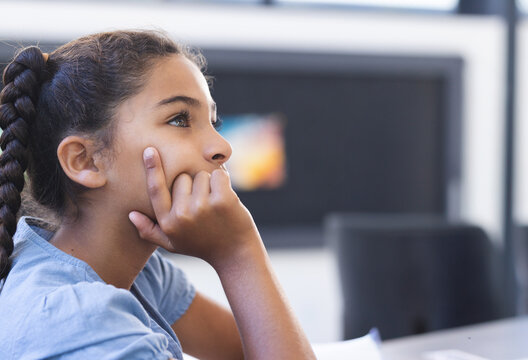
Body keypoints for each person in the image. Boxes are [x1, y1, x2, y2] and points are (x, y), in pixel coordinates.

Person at [0, 30, 316, 360]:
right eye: (180, 119)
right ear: (85, 161)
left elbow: (253, 349)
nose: (223, 147)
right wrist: (239, 252)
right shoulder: (79, 319)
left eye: (213, 121)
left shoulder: (140, 273)